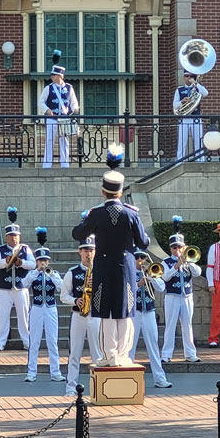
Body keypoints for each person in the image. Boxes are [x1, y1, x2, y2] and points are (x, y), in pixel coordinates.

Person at [72, 144, 150, 367]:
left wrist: (87, 219)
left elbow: (78, 234)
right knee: (125, 311)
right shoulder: (131, 214)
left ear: (103, 191)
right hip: (125, 266)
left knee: (105, 312)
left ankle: (109, 356)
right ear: (121, 191)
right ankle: (124, 355)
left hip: (103, 267)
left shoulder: (96, 213)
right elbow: (143, 242)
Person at [60, 234, 102, 396]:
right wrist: (76, 300)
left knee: (97, 354)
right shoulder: (73, 272)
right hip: (79, 315)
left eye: (91, 250)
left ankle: (97, 388)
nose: (88, 253)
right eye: (85, 250)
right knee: (75, 353)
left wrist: (97, 286)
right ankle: (71, 387)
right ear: (80, 252)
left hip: (96, 315)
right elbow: (64, 296)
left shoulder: (100, 271)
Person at [23, 227, 65, 382]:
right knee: (34, 341)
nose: (43, 263)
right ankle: (31, 372)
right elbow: (24, 284)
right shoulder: (32, 274)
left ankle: (55, 372)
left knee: (52, 341)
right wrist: (36, 271)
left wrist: (51, 274)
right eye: (40, 261)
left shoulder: (53, 274)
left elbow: (61, 288)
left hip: (51, 308)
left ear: (49, 261)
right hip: (37, 308)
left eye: (45, 261)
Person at [0, 207, 36, 351]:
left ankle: (27, 341)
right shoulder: (1, 250)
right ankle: (0, 342)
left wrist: (20, 263)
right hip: (5, 288)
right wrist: (6, 261)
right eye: (11, 235)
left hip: (21, 287)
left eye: (16, 235)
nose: (14, 238)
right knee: (2, 317)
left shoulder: (25, 249)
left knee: (23, 316)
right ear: (6, 237)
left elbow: (33, 264)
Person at [160, 216, 201, 363]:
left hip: (187, 296)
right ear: (170, 248)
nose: (177, 250)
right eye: (174, 247)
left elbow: (197, 273)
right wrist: (176, 266)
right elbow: (165, 277)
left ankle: (190, 354)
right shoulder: (166, 262)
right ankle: (166, 354)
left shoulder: (189, 260)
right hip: (172, 296)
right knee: (170, 325)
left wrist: (187, 262)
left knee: (187, 325)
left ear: (184, 247)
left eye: (180, 247)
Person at [130, 248, 172, 388]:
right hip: (134, 313)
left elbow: (161, 288)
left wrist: (152, 278)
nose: (140, 261)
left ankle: (160, 379)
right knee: (130, 346)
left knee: (153, 345)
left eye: (142, 258)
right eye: (138, 258)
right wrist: (138, 284)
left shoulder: (151, 272)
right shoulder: (128, 273)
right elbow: (125, 291)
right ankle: (128, 377)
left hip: (149, 311)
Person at [38, 50, 79, 169]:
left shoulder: (69, 88)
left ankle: (65, 165)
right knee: (50, 141)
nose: (51, 77)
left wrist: (75, 109)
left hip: (64, 119)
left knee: (64, 141)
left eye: (53, 75)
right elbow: (41, 102)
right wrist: (47, 110)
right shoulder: (48, 88)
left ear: (59, 76)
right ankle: (47, 165)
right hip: (52, 118)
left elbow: (73, 102)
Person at [173, 71, 208, 162]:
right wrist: (182, 102)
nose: (188, 78)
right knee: (182, 142)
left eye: (191, 76)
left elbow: (205, 93)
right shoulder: (179, 90)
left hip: (196, 118)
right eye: (186, 76)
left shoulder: (197, 88)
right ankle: (179, 162)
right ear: (184, 77)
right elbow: (175, 106)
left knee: (198, 141)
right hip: (185, 118)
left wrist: (195, 83)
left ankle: (200, 161)